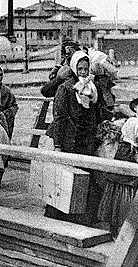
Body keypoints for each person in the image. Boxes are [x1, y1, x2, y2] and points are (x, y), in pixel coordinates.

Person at [45, 50, 105, 225]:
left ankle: (81, 217)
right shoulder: (66, 88)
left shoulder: (93, 88)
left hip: (87, 140)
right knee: (65, 179)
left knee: (85, 178)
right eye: (80, 69)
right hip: (69, 139)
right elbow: (59, 117)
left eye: (86, 69)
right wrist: (58, 144)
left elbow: (96, 113)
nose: (84, 73)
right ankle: (57, 216)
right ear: (73, 68)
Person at [97, 117, 138, 238]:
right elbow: (121, 169)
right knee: (119, 210)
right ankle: (116, 234)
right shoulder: (125, 148)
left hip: (130, 183)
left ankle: (123, 233)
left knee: (124, 211)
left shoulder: (137, 147)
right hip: (121, 185)